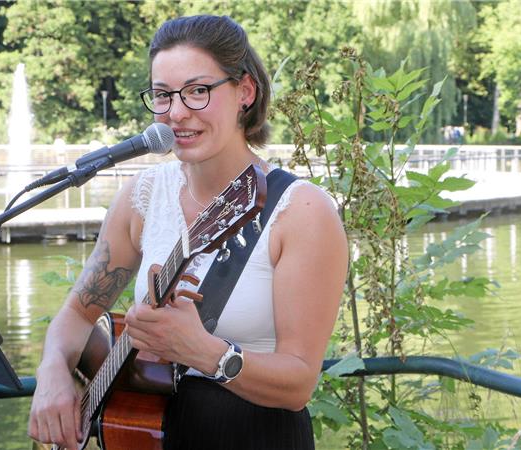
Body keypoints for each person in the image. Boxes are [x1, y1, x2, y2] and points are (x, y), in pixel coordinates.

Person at [28, 15, 347, 450]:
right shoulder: (142, 197)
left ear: (245, 92)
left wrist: (203, 352)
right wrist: (52, 374)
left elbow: (298, 384)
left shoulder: (302, 210)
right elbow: (78, 316)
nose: (176, 113)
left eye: (198, 91)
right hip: (150, 433)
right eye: (163, 95)